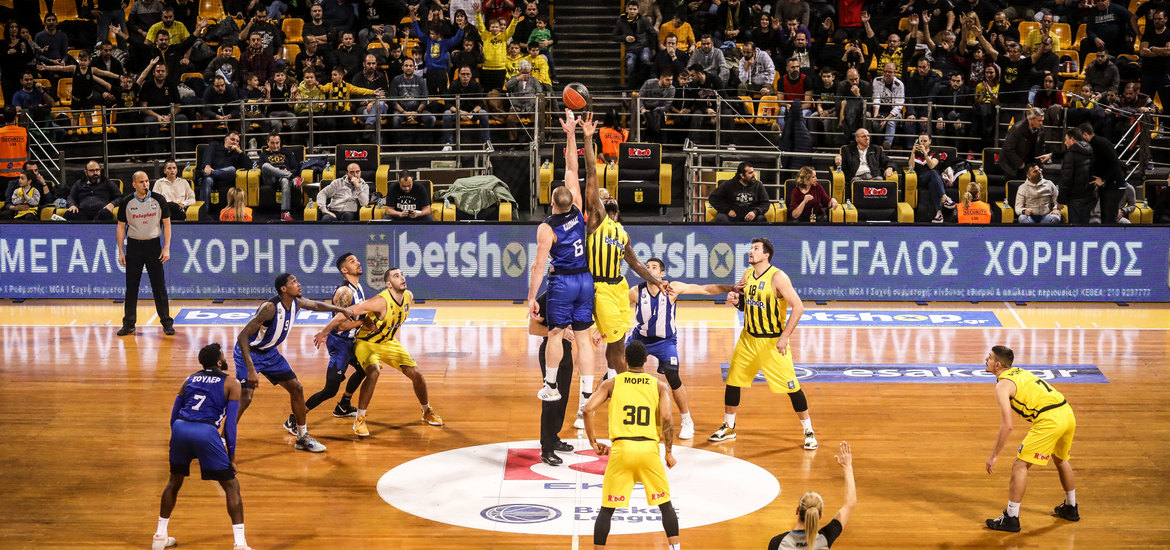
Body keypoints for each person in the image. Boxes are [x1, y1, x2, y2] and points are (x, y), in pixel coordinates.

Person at [579, 112, 667, 416]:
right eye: (603, 199)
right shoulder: (596, 221)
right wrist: (588, 139)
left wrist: (657, 281)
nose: (606, 200)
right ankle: (622, 389)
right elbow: (591, 174)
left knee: (617, 343)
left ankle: (615, 382)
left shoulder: (621, 233)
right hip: (600, 287)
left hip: (619, 286)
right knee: (616, 343)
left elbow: (637, 264)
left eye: (609, 199)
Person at [710, 238, 816, 450]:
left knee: (792, 387)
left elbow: (799, 307)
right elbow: (744, 306)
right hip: (748, 339)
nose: (751, 251)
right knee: (733, 382)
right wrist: (735, 301)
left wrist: (784, 337)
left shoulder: (778, 277)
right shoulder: (747, 275)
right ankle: (729, 426)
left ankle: (809, 430)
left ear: (766, 255)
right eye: (751, 248)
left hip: (772, 341)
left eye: (756, 249)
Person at [316, 267, 444, 437]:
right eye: (396, 276)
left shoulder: (408, 296)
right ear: (389, 285)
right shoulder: (379, 302)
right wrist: (324, 332)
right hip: (366, 343)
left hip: (388, 342)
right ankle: (360, 420)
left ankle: (427, 411)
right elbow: (345, 313)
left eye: (402, 275)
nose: (402, 278)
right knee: (373, 372)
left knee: (417, 374)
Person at [234, 274, 353, 453]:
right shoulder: (270, 308)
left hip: (270, 354)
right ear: (283, 289)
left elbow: (316, 305)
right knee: (246, 397)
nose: (299, 284)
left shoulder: (296, 302)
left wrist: (340, 309)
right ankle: (221, 437)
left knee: (296, 388)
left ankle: (302, 437)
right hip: (250, 354)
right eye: (294, 282)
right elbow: (242, 336)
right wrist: (251, 368)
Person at [152, 343, 253, 550]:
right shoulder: (232, 383)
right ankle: (240, 544)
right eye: (223, 356)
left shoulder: (188, 379)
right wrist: (231, 457)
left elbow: (174, 417)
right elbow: (230, 425)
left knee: (174, 481)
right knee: (231, 486)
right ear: (218, 362)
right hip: (205, 431)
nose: (225, 358)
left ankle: (159, 537)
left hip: (180, 429)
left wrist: (180, 442)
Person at [582, 340, 680, 550]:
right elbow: (667, 418)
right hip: (648, 451)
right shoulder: (659, 386)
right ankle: (675, 548)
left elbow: (587, 410)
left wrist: (593, 442)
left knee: (607, 509)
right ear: (646, 360)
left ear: (624, 360)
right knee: (665, 505)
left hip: (622, 451)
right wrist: (669, 452)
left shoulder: (612, 383)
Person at [628, 258, 740, 440]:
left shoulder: (673, 288)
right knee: (617, 367)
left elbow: (704, 289)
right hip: (640, 339)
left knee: (673, 376)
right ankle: (589, 405)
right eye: (646, 267)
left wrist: (729, 288)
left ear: (662, 273)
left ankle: (687, 420)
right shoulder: (635, 292)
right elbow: (615, 310)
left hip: (665, 341)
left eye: (654, 267)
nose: (649, 269)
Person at [526, 110, 596, 403]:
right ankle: (586, 398)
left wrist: (531, 298)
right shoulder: (578, 209)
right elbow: (572, 168)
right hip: (585, 279)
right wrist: (573, 134)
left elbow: (539, 266)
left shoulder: (547, 228)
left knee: (555, 333)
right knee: (583, 337)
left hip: (564, 283)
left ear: (552, 202)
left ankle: (551, 386)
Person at [983, 345, 1079, 532]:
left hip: (1049, 420)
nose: (985, 359)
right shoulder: (1019, 371)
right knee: (1061, 459)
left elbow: (1008, 425)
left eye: (989, 357)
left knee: (1020, 466)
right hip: (1066, 412)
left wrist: (994, 455)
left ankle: (1011, 518)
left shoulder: (1002, 385)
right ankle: (1071, 507)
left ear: (997, 365)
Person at [301, 253, 368, 426]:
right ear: (344, 270)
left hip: (351, 343)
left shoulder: (358, 287)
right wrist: (364, 322)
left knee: (364, 370)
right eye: (352, 262)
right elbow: (340, 325)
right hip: (340, 345)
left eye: (357, 259)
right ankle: (295, 419)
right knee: (330, 390)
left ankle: (344, 405)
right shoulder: (345, 292)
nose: (358, 262)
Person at [767, 442, 856, 549]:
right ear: (819, 516)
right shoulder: (825, 538)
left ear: (797, 511)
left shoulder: (777, 543)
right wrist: (847, 467)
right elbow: (850, 504)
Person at [116, 171, 174, 336]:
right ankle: (129, 324)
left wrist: (167, 247)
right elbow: (121, 227)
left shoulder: (159, 200)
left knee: (159, 286)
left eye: (147, 181)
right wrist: (121, 250)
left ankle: (167, 323)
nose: (145, 185)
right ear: (134, 184)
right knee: (131, 287)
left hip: (153, 246)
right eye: (141, 182)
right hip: (134, 246)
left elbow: (167, 225)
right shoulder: (126, 202)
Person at [529, 292, 579, 465]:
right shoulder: (547, 297)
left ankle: (554, 437)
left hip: (567, 352)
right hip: (549, 351)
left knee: (562, 398)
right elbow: (533, 328)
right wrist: (560, 333)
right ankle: (547, 449)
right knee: (551, 399)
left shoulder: (576, 294)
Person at [910, 133, 957, 223]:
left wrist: (924, 153)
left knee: (933, 182)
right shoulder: (915, 153)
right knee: (933, 173)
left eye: (925, 141)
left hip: (934, 179)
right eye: (921, 141)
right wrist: (912, 152)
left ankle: (939, 214)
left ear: (930, 141)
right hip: (921, 178)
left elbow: (931, 165)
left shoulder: (935, 152)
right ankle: (945, 197)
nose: (922, 143)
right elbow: (911, 167)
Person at [257, 133, 303, 222]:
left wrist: (289, 172)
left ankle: (285, 213)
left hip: (284, 178)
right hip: (270, 179)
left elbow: (296, 168)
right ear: (268, 143)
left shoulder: (288, 153)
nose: (275, 146)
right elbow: (263, 168)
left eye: (277, 143)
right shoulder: (263, 155)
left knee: (285, 181)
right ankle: (293, 178)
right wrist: (278, 170)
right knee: (266, 165)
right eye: (272, 143)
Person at [198, 132, 248, 207]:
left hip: (224, 179)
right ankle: (203, 212)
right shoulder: (215, 145)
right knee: (208, 180)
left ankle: (203, 173)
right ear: (226, 139)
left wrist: (240, 151)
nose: (235, 142)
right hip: (210, 177)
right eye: (232, 139)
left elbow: (249, 166)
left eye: (237, 141)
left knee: (232, 170)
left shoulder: (236, 154)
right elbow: (208, 155)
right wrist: (207, 165)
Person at [1001, 108, 1053, 180]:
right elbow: (1008, 148)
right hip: (1012, 166)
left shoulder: (1041, 129)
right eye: (1039, 121)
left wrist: (1039, 164)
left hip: (1028, 164)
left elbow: (1040, 147)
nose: (1041, 123)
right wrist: (1020, 163)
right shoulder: (1018, 129)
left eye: (1042, 120)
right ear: (1031, 119)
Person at [1058, 128, 1095, 224]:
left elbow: (1066, 178)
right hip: (1089, 196)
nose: (1065, 143)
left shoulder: (1071, 154)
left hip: (1075, 198)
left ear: (1073, 140)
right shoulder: (1090, 150)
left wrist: (1060, 200)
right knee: (1085, 226)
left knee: (1075, 228)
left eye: (1066, 140)